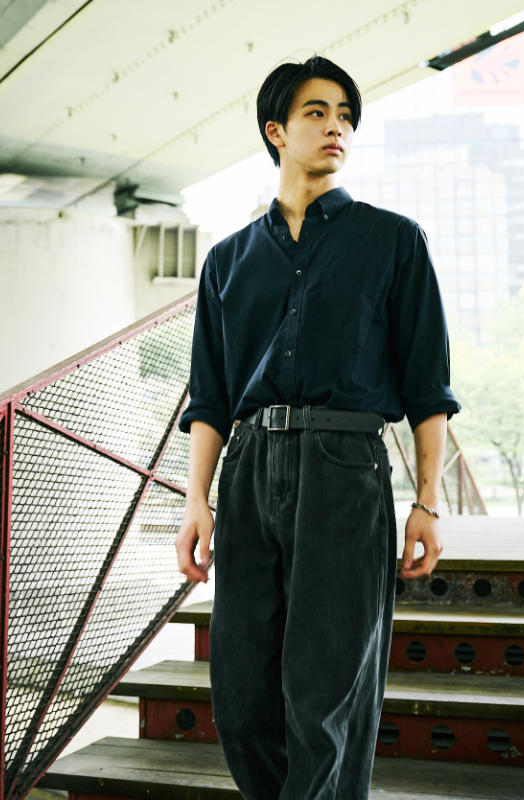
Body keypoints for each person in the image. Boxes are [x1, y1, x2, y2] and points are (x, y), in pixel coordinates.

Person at [175, 55, 460, 800]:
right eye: (317, 112)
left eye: (346, 116)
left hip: (345, 466)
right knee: (241, 699)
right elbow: (210, 397)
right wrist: (196, 499)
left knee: (324, 697)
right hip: (248, 469)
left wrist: (427, 503)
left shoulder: (394, 242)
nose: (337, 127)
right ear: (276, 131)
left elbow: (427, 387)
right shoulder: (227, 261)